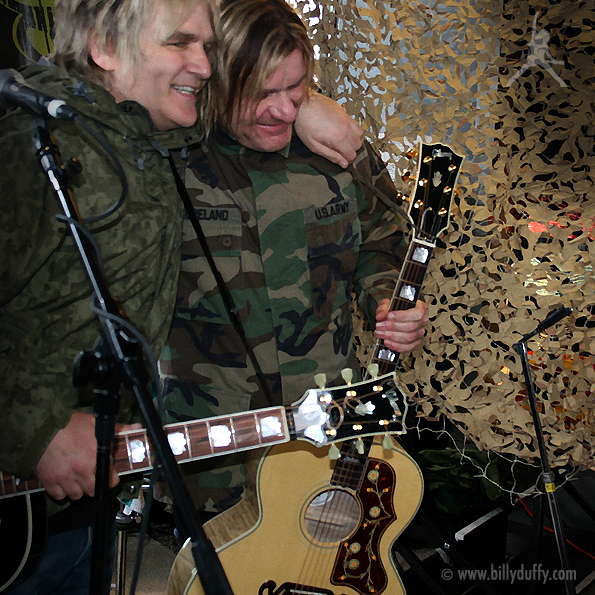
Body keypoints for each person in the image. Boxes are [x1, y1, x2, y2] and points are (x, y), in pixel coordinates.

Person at [0, 0, 364, 592]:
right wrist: (33, 426)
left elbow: (237, 108)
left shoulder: (143, 132)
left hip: (66, 514)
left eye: (210, 48)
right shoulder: (29, 147)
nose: (205, 65)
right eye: (180, 44)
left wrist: (300, 106)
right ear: (106, 49)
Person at [159, 0, 429, 520]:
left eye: (295, 87)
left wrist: (390, 302)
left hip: (327, 434)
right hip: (216, 450)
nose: (283, 111)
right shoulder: (170, 160)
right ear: (216, 80)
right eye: (262, 93)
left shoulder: (335, 147)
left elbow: (382, 240)